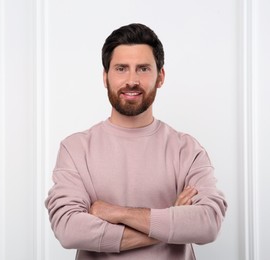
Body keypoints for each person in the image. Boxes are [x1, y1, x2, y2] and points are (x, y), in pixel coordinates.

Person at [45, 23, 227, 259]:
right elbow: (69, 230)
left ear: (160, 77)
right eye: (121, 68)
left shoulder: (187, 149)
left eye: (143, 69)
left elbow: (208, 223)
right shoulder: (75, 149)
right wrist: (172, 221)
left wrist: (116, 212)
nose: (131, 80)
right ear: (105, 76)